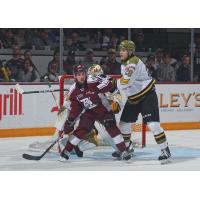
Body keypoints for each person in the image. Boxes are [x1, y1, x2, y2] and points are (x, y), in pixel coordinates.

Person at [113, 40, 171, 164]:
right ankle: (128, 148)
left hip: (147, 96)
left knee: (153, 125)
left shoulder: (132, 62)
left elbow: (125, 82)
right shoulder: (125, 62)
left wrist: (112, 84)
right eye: (120, 50)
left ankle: (165, 150)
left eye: (123, 50)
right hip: (133, 98)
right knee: (123, 124)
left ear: (130, 51)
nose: (120, 52)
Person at [59, 64, 132, 161]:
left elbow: (109, 84)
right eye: (79, 74)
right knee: (81, 130)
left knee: (111, 126)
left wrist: (97, 89)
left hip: (103, 110)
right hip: (89, 113)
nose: (81, 76)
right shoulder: (73, 90)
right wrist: (70, 121)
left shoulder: (92, 80)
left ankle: (124, 151)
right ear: (75, 76)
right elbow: (75, 108)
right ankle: (66, 152)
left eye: (83, 74)